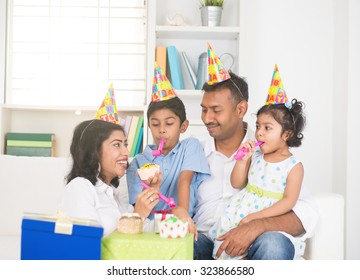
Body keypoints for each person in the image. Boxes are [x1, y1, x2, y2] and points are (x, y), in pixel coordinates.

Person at [193, 68, 318, 260]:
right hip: (206, 240)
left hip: (257, 240)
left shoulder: (275, 156)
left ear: (241, 109)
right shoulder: (195, 150)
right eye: (204, 109)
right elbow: (237, 182)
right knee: (180, 243)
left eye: (216, 110)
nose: (207, 118)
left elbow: (304, 211)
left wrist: (256, 225)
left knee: (274, 245)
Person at [209, 97, 307, 260]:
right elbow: (237, 183)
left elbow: (289, 201)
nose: (259, 132)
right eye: (257, 126)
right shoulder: (255, 155)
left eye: (267, 128)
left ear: (286, 134)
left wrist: (257, 217)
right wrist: (243, 160)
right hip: (240, 213)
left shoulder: (294, 166)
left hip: (268, 216)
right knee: (233, 252)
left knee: (264, 246)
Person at [60, 119, 190, 236]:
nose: (127, 153)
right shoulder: (79, 187)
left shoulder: (116, 199)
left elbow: (145, 230)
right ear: (94, 150)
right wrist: (137, 216)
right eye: (117, 145)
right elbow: (88, 246)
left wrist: (176, 218)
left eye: (125, 145)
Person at [127, 63, 211, 223]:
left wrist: (183, 216)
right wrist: (152, 189)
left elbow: (184, 181)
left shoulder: (190, 146)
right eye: (155, 124)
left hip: (182, 225)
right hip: (151, 228)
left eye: (169, 123)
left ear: (183, 126)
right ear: (149, 126)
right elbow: (138, 208)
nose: (162, 130)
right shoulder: (138, 162)